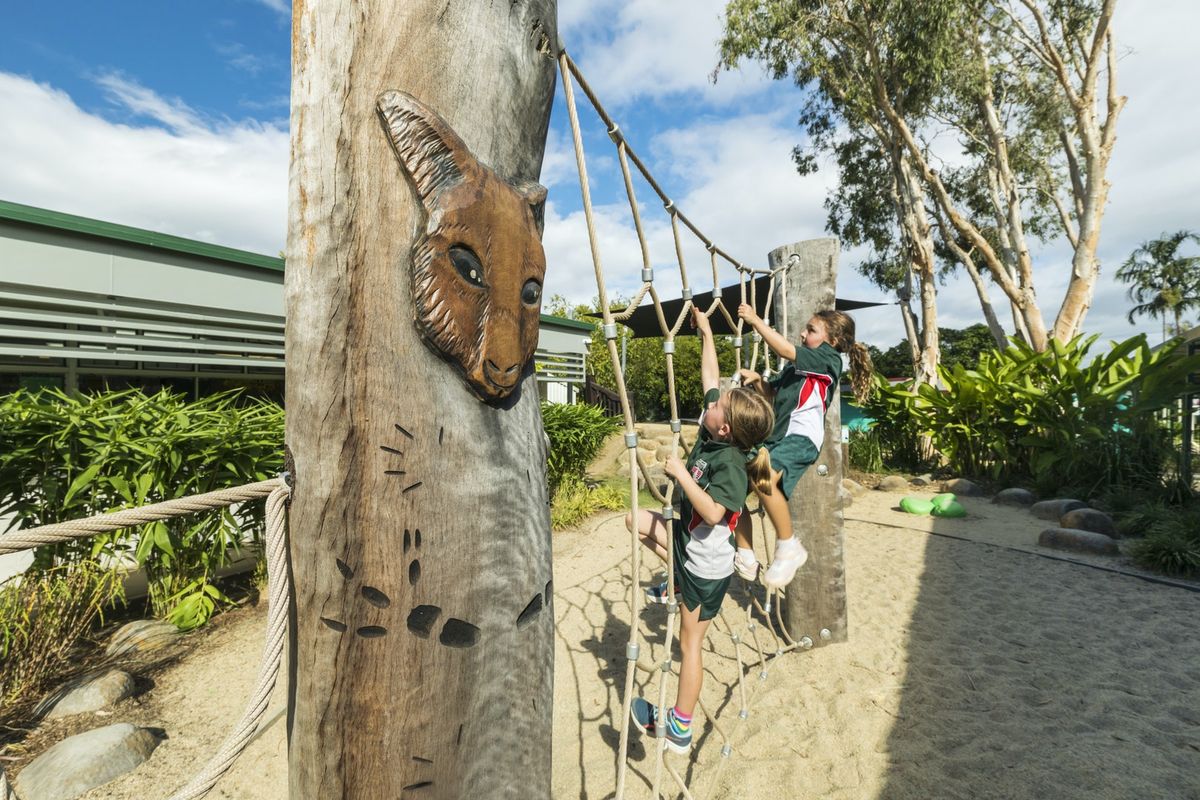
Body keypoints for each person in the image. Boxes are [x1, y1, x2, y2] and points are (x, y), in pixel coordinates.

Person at [625, 306, 775, 754]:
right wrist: (707, 330)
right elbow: (712, 374)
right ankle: (670, 583)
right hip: (690, 550)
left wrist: (681, 475)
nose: (710, 402)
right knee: (636, 521)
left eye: (717, 405)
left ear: (724, 425)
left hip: (706, 565)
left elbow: (713, 513)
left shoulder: (730, 463)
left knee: (692, 646)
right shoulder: (717, 436)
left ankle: (678, 728)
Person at [733, 305, 874, 589]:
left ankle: (788, 545)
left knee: (764, 476)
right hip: (777, 437)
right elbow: (772, 392)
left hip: (801, 438)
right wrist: (759, 380)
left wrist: (756, 320)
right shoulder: (796, 368)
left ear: (832, 340)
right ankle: (745, 553)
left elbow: (786, 350)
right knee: (731, 484)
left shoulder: (828, 359)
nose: (803, 333)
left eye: (811, 330)